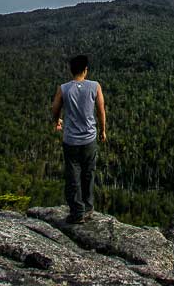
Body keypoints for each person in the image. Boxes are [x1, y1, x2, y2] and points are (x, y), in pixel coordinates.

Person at [50, 54, 107, 223]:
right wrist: (103, 130)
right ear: (85, 70)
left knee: (73, 176)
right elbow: (101, 111)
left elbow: (55, 108)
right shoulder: (95, 86)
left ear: (71, 70)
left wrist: (57, 121)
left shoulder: (64, 88)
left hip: (71, 140)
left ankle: (77, 213)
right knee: (88, 174)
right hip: (89, 139)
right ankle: (88, 209)